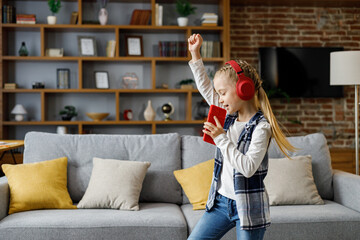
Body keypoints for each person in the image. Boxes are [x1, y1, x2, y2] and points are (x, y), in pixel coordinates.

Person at [187, 33, 297, 240]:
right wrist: (195, 54)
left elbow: (247, 168)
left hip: (248, 206)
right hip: (220, 203)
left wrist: (221, 138)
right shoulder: (229, 114)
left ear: (243, 90)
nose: (218, 98)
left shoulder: (261, 127)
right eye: (218, 94)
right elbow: (204, 86)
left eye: (222, 93)